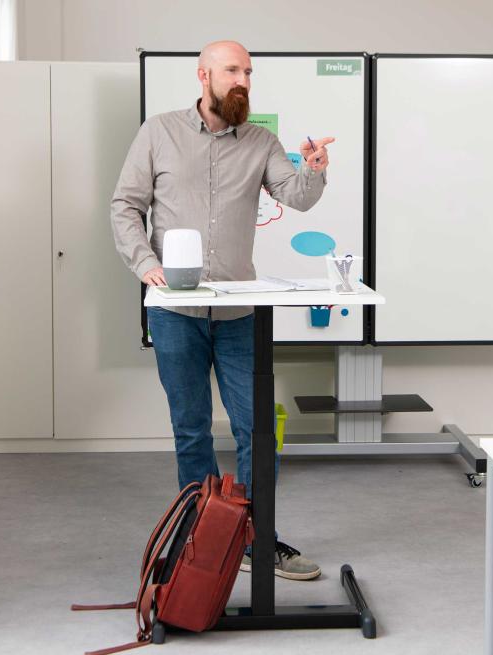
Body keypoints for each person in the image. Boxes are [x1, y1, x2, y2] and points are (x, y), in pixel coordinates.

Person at [111, 40, 334, 581]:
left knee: (257, 430)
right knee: (191, 430)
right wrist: (145, 264)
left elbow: (297, 197)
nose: (243, 81)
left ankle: (258, 538)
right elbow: (126, 206)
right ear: (203, 75)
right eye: (232, 70)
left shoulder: (261, 141)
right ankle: (202, 539)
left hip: (239, 315)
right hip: (175, 314)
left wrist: (313, 170)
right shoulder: (158, 133)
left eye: (249, 72)